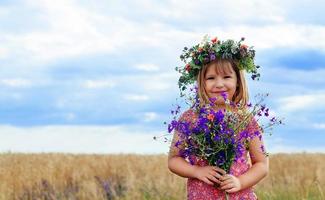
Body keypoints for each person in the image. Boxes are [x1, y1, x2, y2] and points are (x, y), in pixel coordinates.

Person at [168, 36, 269, 199]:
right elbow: (173, 160)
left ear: (238, 82)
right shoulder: (190, 118)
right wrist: (196, 171)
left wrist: (240, 182)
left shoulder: (245, 119)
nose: (219, 84)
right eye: (211, 78)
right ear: (202, 82)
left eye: (227, 77)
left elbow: (262, 164)